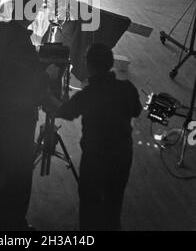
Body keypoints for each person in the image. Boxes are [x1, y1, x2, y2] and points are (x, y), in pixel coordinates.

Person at [54, 43, 142, 231]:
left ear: (89, 65)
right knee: (114, 201)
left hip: (95, 159)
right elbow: (136, 110)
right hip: (122, 155)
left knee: (89, 205)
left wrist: (47, 94)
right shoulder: (126, 88)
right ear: (110, 63)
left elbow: (65, 112)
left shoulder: (87, 95)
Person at [0, 0, 49, 231]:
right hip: (19, 112)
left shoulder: (1, 31)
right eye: (37, 9)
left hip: (0, 103)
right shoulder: (23, 43)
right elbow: (30, 78)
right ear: (30, 13)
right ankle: (13, 222)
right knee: (20, 168)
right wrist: (47, 74)